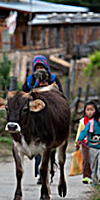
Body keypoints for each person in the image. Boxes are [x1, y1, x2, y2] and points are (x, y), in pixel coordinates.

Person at [23, 55, 64, 184]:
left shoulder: (53, 80)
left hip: (51, 116)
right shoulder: (30, 80)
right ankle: (42, 174)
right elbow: (23, 96)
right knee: (38, 146)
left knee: (50, 147)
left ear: (46, 67)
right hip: (35, 117)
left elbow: (61, 96)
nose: (40, 70)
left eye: (42, 67)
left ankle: (49, 170)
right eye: (37, 67)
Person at [76, 106, 100, 185]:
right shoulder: (91, 123)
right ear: (97, 117)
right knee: (93, 165)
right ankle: (94, 180)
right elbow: (84, 132)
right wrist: (79, 140)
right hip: (92, 148)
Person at [75, 100, 97, 184]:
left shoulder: (98, 121)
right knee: (86, 160)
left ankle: (94, 175)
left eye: (92, 110)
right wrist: (77, 142)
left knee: (94, 160)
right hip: (85, 143)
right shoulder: (82, 121)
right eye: (88, 110)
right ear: (85, 111)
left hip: (95, 143)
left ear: (95, 111)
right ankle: (86, 176)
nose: (90, 112)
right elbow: (80, 132)